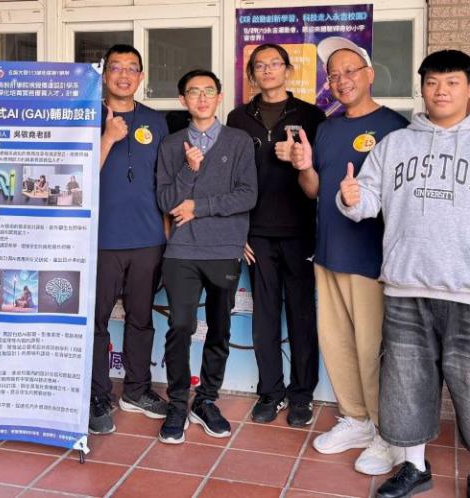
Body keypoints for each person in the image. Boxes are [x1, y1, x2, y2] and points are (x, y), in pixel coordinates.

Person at [336, 49, 470, 498]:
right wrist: (352, 198)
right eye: (432, 82)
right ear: (422, 89)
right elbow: (367, 202)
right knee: (406, 383)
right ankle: (414, 466)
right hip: (405, 288)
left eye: (451, 82)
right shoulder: (395, 145)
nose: (441, 91)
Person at [290, 38, 409, 475]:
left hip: (372, 259)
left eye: (349, 72)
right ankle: (356, 419)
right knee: (337, 344)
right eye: (334, 75)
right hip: (328, 253)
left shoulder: (396, 128)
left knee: (372, 349)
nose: (341, 81)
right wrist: (304, 166)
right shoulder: (327, 128)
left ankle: (387, 432)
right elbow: (314, 191)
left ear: (370, 75)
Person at [226, 43, 326, 427]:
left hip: (300, 232)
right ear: (251, 74)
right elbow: (230, 178)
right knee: (264, 317)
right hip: (257, 235)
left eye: (274, 64)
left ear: (287, 70)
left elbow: (321, 175)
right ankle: (270, 392)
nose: (267, 70)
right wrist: (239, 229)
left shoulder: (311, 116)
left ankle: (301, 395)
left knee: (301, 316)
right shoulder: (238, 118)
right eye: (260, 65)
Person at [156, 69, 258, 444]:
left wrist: (199, 207)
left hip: (223, 249)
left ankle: (206, 400)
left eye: (209, 91)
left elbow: (247, 195)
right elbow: (166, 201)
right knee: (181, 325)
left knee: (220, 327)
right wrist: (189, 169)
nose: (201, 98)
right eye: (194, 92)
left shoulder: (239, 141)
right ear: (182, 100)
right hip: (182, 250)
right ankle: (177, 404)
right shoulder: (171, 145)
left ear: (219, 97)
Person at [89, 44, 169, 435]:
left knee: (141, 319)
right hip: (99, 240)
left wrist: (167, 233)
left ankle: (136, 390)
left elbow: (165, 180)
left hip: (148, 238)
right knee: (96, 321)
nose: (124, 75)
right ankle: (96, 395)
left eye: (131, 68)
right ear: (104, 75)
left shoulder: (156, 121)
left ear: (141, 77)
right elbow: (74, 177)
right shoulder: (86, 116)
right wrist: (107, 138)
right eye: (116, 67)